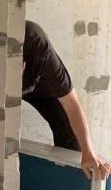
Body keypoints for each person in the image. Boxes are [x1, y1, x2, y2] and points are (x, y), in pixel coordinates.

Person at [23, 20, 111, 180]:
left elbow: (72, 104)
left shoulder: (39, 47)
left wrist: (88, 152)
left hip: (42, 90)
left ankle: (67, 185)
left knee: (71, 136)